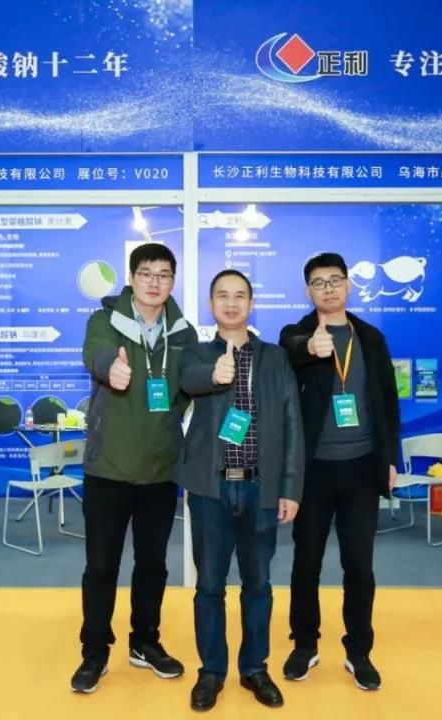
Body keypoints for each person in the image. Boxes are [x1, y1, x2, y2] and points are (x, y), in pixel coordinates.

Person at [73, 243, 198, 694]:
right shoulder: (104, 320)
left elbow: (190, 383)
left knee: (153, 565)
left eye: (163, 275)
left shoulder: (182, 333)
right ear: (132, 277)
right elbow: (96, 352)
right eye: (146, 273)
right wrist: (111, 368)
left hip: (160, 471)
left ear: (172, 281)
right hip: (108, 468)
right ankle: (94, 651)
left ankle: (145, 642)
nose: (154, 282)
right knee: (101, 566)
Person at [177, 270, 304, 711]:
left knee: (258, 585)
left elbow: (292, 423)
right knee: (209, 585)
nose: (231, 304)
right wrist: (214, 373)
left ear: (251, 304)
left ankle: (254, 668)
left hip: (261, 489)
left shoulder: (275, 358)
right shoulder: (196, 352)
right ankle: (212, 670)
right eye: (222, 296)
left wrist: (290, 488)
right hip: (210, 489)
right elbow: (187, 380)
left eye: (239, 296)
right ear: (211, 304)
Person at [278, 252, 401, 692]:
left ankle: (359, 651)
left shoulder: (371, 338)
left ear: (348, 286)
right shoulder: (296, 333)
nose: (328, 289)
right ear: (308, 291)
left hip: (362, 468)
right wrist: (310, 347)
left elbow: (388, 401)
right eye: (318, 282)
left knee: (359, 567)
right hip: (313, 471)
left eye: (335, 280)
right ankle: (304, 644)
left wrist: (390, 458)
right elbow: (290, 349)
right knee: (305, 563)